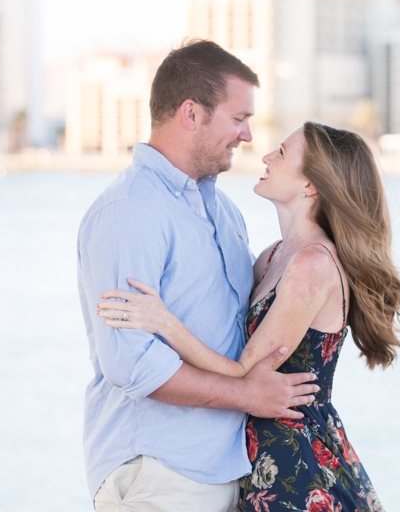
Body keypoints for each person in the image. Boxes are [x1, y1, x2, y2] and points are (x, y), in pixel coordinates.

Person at [99, 121, 400, 512]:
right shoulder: (274, 256)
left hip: (295, 463)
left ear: (310, 185)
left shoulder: (314, 265)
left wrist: (163, 321)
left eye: (281, 152)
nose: (265, 157)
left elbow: (244, 369)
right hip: (255, 453)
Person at [76, 39, 320, 511]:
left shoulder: (224, 210)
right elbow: (132, 364)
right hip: (160, 469)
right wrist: (247, 395)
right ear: (192, 113)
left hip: (226, 468)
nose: (248, 136)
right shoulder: (131, 212)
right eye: (238, 119)